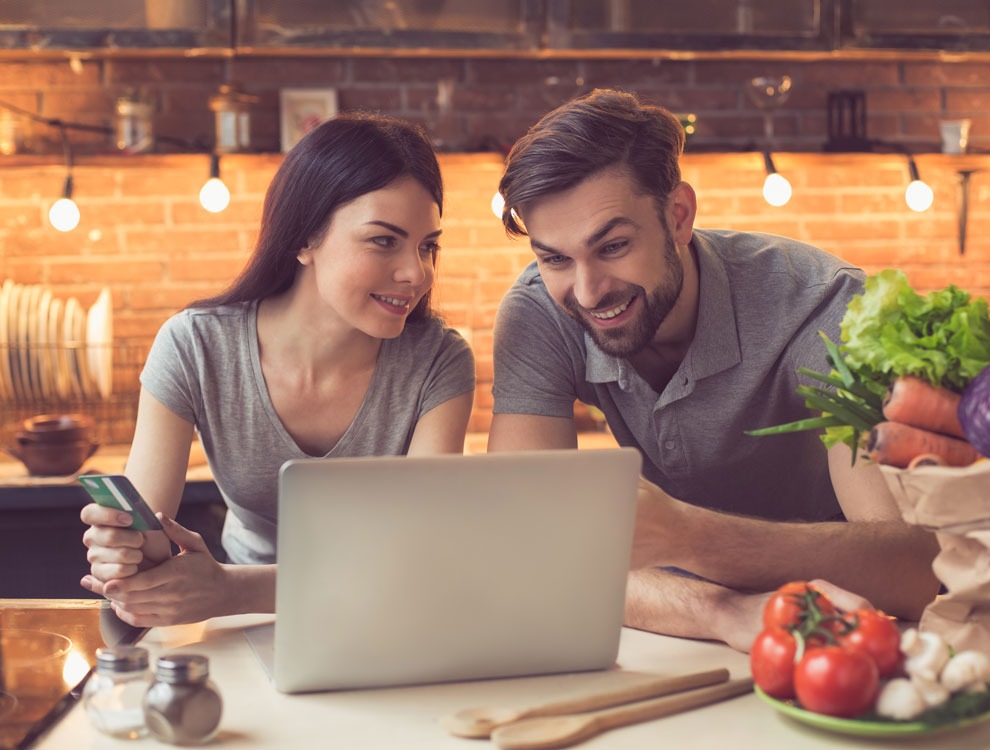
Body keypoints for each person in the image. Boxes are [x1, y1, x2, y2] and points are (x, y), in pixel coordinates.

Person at [488, 89, 940, 651]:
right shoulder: (538, 313)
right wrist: (724, 611)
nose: (587, 291)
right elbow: (532, 545)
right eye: (554, 258)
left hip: (839, 624)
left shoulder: (822, 309)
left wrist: (689, 538)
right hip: (682, 629)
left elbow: (919, 569)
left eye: (614, 246)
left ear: (678, 216)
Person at [80, 113, 476, 627]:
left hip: (381, 619)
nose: (416, 273)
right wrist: (126, 553)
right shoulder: (195, 344)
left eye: (428, 246)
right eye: (384, 240)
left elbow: (419, 559)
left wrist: (230, 589)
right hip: (239, 624)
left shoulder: (438, 362)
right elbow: (149, 534)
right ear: (305, 238)